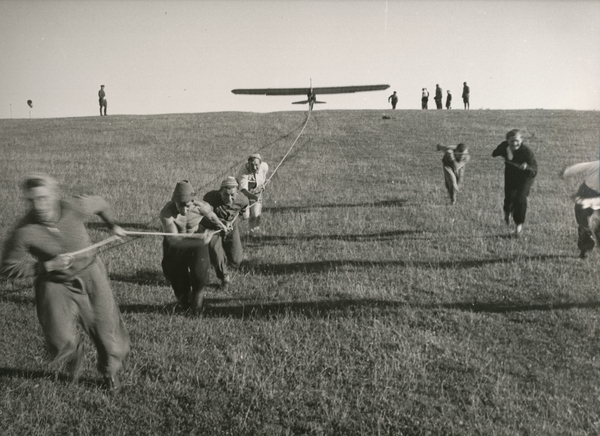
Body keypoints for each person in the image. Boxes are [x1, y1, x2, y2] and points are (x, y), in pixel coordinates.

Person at [0, 174, 130, 394]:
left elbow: (100, 203)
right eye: (32, 200)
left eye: (43, 198)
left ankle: (110, 373)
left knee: (108, 330)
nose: (39, 205)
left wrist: (113, 224)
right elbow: (7, 267)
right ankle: (72, 353)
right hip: (54, 282)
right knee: (58, 336)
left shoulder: (73, 207)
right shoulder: (24, 231)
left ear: (55, 195)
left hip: (89, 275)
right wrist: (46, 266)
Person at [159, 180, 228, 312]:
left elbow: (212, 216)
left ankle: (197, 306)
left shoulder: (202, 207)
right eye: (180, 205)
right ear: (174, 201)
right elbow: (174, 240)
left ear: (193, 201)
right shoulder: (167, 213)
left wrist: (222, 225)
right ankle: (184, 300)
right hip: (177, 244)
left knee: (200, 273)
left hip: (196, 237)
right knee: (177, 278)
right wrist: (201, 241)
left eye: (188, 205)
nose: (184, 209)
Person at [202, 177, 249, 291]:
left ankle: (223, 260)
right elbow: (205, 216)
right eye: (225, 195)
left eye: (232, 195)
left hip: (231, 227)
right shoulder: (210, 198)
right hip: (213, 228)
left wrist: (244, 214)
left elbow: (244, 211)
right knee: (215, 249)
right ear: (220, 192)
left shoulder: (242, 199)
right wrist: (221, 223)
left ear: (237, 192)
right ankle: (224, 278)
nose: (229, 198)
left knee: (236, 260)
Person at [492, 129, 538, 236]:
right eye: (511, 141)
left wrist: (527, 166)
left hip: (526, 176)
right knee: (509, 197)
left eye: (517, 140)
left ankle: (518, 226)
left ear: (521, 140)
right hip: (511, 174)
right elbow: (494, 153)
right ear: (507, 140)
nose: (514, 143)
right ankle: (507, 212)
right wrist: (497, 154)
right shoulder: (504, 146)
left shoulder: (526, 152)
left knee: (520, 198)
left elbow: (534, 169)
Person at [560, 161, 600, 259]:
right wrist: (567, 172)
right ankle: (584, 249)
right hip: (587, 192)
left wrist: (588, 202)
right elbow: (582, 167)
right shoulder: (597, 165)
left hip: (590, 199)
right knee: (584, 225)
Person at [236, 153, 269, 236]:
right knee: (245, 216)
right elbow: (243, 190)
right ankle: (239, 211)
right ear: (248, 164)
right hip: (243, 194)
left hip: (256, 193)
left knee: (255, 215)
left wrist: (264, 183)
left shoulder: (264, 167)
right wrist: (253, 197)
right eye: (252, 165)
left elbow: (264, 177)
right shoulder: (243, 171)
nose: (254, 168)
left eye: (256, 165)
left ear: (260, 164)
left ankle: (253, 234)